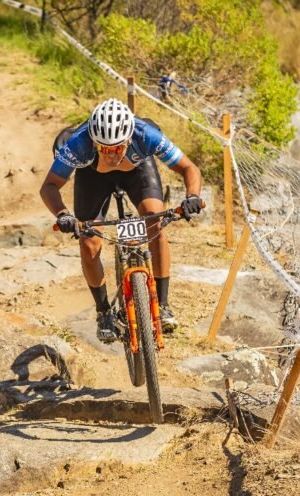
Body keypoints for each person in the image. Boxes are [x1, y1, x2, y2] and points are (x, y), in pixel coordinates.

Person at [38, 98, 203, 343]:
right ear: (94, 142)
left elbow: (189, 168)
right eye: (104, 149)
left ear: (128, 139)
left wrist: (193, 196)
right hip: (93, 178)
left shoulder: (145, 136)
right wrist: (63, 214)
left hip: (137, 171)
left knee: (155, 223)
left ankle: (163, 304)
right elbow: (49, 186)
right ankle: (104, 312)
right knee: (88, 242)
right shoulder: (79, 144)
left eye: (117, 148)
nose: (112, 155)